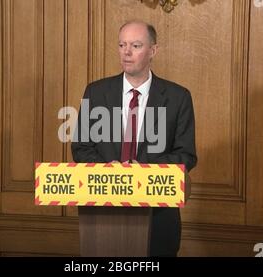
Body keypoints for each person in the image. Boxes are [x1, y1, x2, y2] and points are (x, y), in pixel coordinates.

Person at [71, 20, 197, 257]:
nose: (126, 52)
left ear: (153, 51)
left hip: (158, 218)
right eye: (122, 45)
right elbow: (81, 147)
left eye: (136, 46)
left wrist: (143, 173)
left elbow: (186, 154)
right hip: (102, 216)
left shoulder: (178, 97)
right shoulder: (96, 92)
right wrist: (110, 171)